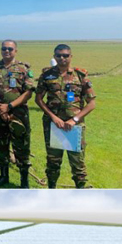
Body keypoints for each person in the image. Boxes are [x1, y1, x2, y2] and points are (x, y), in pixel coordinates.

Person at [35, 44, 96, 188]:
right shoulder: (47, 75)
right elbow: (38, 99)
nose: (62, 58)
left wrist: (74, 119)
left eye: (65, 55)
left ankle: (80, 190)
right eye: (59, 55)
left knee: (77, 162)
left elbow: (91, 103)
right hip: (53, 125)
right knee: (53, 162)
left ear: (71, 56)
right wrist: (53, 117)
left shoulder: (80, 75)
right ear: (54, 57)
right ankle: (51, 190)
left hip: (74, 127)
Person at [0, 39, 36, 188]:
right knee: (1, 145)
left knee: (22, 147)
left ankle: (24, 181)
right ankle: (3, 176)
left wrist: (9, 106)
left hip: (18, 115)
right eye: (4, 48)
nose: (7, 51)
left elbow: (28, 92)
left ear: (15, 51)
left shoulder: (23, 68)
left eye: (10, 49)